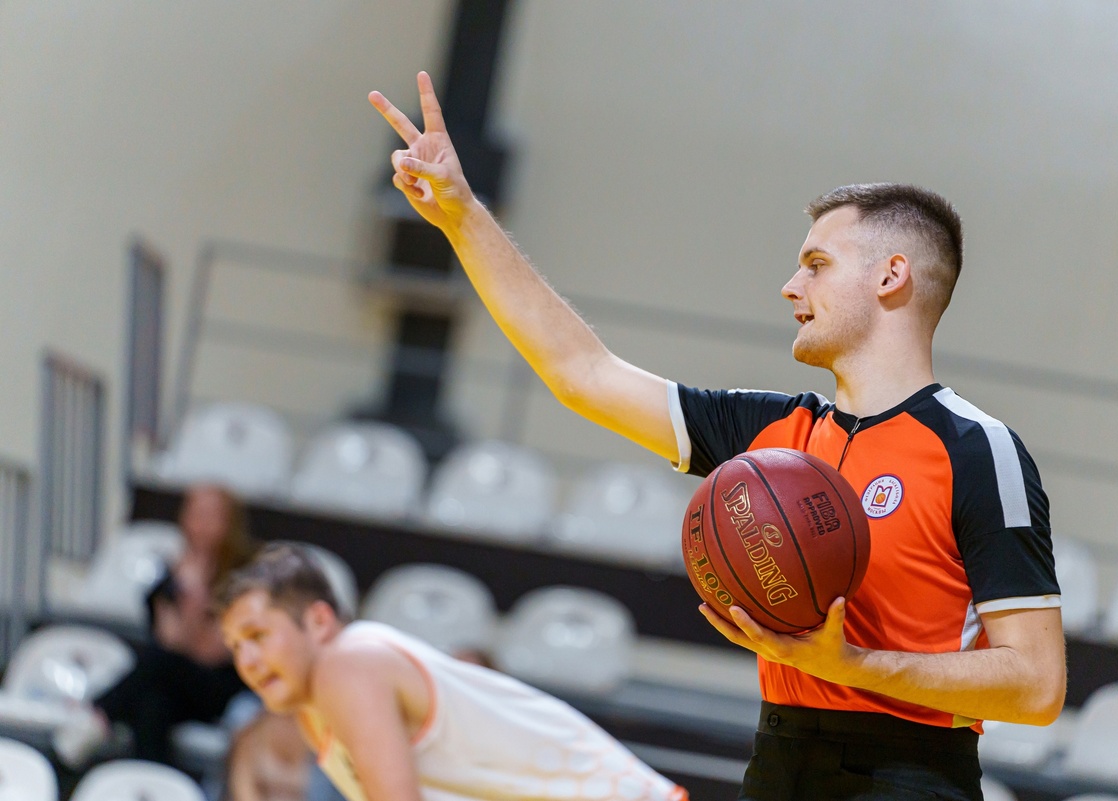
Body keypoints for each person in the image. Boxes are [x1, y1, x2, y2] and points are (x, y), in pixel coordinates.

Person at [366, 73, 1067, 801]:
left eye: (817, 265)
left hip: (912, 772)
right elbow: (582, 373)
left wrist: (852, 665)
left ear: (892, 276)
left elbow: (1037, 685)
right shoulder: (772, 436)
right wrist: (462, 217)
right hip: (778, 755)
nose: (791, 286)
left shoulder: (978, 450)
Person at [216, 543, 687, 801]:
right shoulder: (314, 710)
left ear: (319, 620)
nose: (247, 660)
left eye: (258, 635)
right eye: (236, 646)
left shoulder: (348, 663)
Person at [57, 483, 258, 767]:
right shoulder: (172, 575)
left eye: (211, 516)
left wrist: (196, 602)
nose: (201, 524)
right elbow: (170, 641)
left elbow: (212, 653)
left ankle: (97, 713)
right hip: (174, 684)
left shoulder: (244, 582)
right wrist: (183, 593)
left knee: (157, 664)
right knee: (153, 705)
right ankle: (149, 780)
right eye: (195, 514)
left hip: (221, 689)